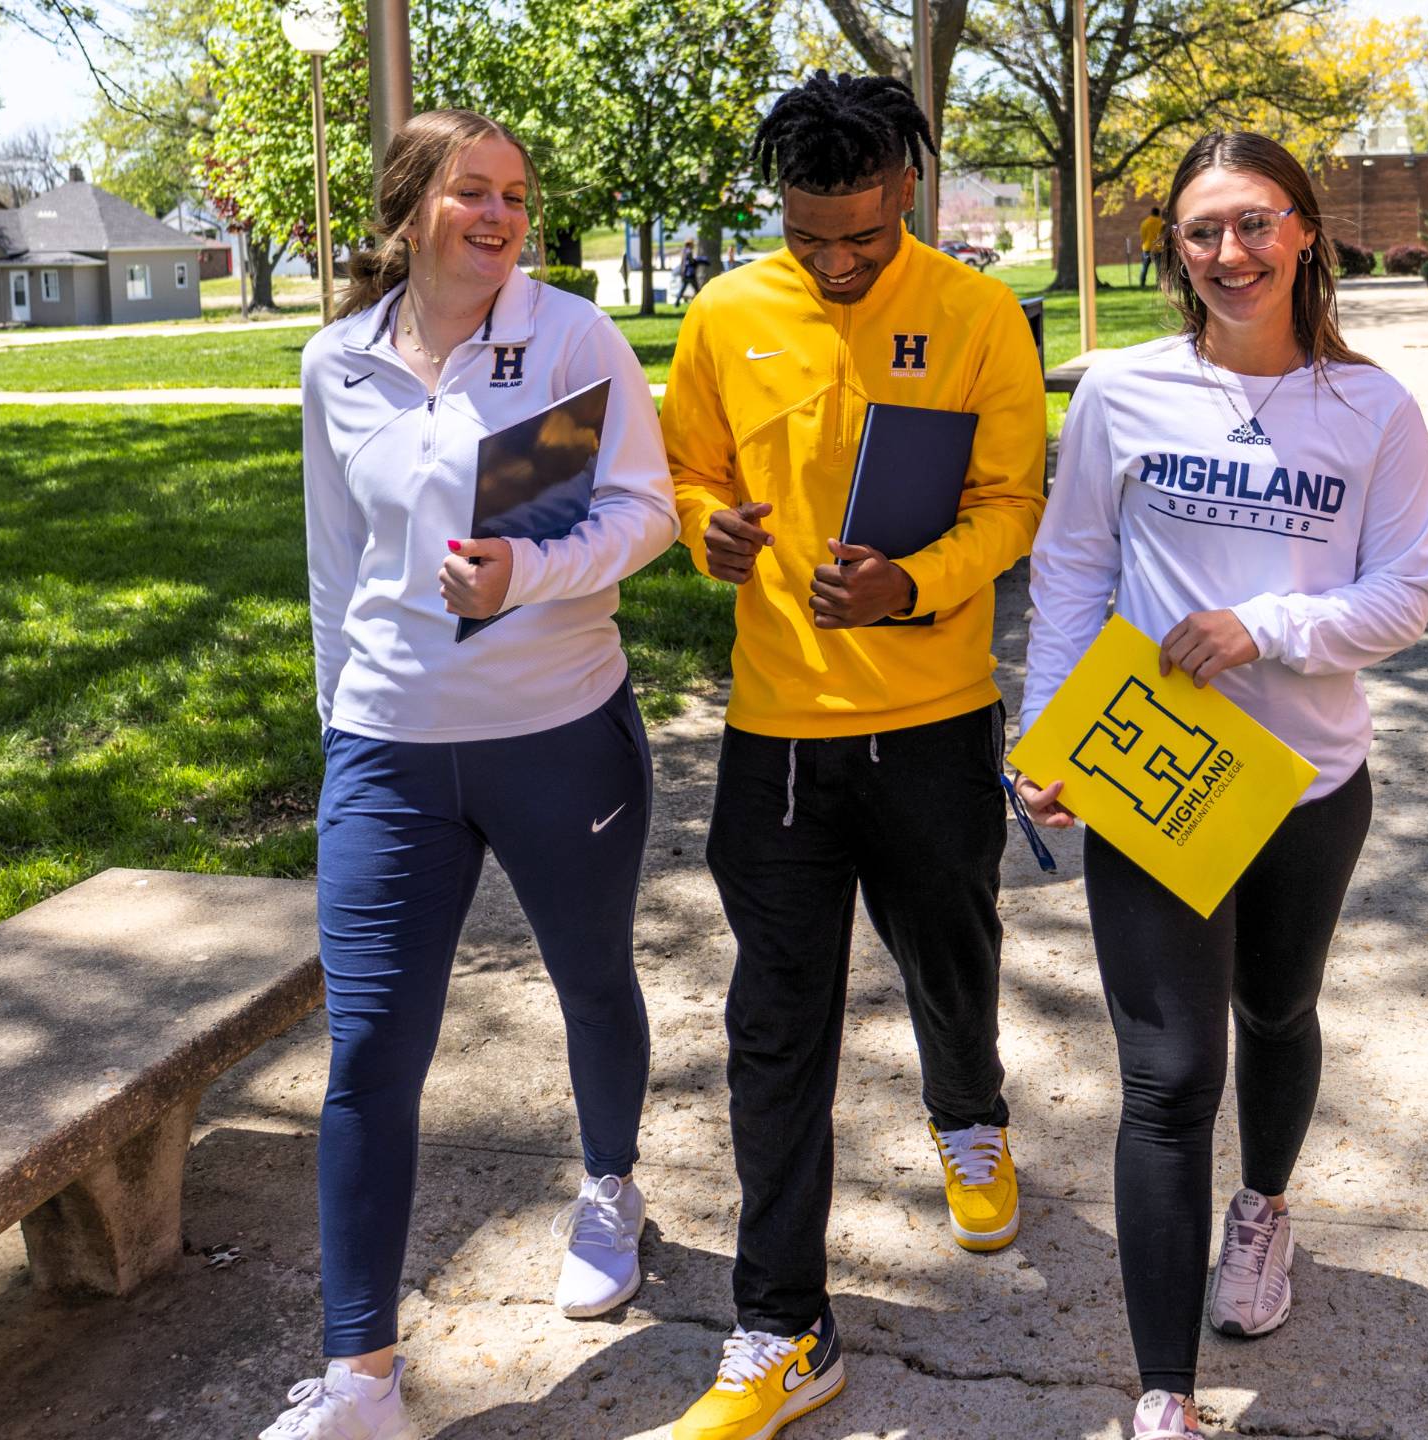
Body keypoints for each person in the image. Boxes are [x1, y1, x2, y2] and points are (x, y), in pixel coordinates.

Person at [1015, 130, 1428, 1439]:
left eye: (1253, 223)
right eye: (1202, 231)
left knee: (1275, 1013)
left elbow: (1406, 593)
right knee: (1166, 1075)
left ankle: (1262, 1213)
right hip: (1160, 775)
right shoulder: (1124, 393)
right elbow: (1071, 571)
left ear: (1304, 230)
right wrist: (1044, 736)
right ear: (1177, 250)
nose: (1228, 253)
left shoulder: (1371, 409)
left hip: (1309, 782)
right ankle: (1164, 1397)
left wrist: (1268, 628)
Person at [262, 108, 676, 1440]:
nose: (499, 218)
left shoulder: (566, 336)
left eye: (515, 197)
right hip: (387, 748)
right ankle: (360, 1383)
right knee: (371, 1051)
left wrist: (527, 573)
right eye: (470, 193)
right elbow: (338, 566)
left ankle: (610, 1183)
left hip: (560, 728)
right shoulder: (336, 364)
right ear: (408, 207)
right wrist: (341, 722)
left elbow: (644, 512)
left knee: (593, 981)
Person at [661, 71, 1047, 1440]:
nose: (834, 264)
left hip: (935, 722)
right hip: (775, 737)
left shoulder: (977, 314)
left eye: (863, 239)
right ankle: (781, 1327)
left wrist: (917, 585)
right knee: (774, 1025)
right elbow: (688, 473)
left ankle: (972, 1113)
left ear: (908, 196)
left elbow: (1014, 505)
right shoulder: (724, 313)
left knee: (953, 952)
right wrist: (705, 528)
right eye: (810, 235)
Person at [1138, 204, 1164, 286]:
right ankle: (1159, 284)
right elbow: (1163, 234)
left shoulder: (1145, 223)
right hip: (1158, 248)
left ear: (1151, 213)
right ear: (1158, 213)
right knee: (1159, 268)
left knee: (1145, 267)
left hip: (1147, 248)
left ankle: (1142, 283)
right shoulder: (1161, 223)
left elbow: (1142, 235)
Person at [674, 239, 700, 303]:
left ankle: (677, 302)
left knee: (683, 289)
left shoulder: (684, 251)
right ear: (690, 244)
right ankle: (700, 300)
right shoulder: (689, 251)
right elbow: (691, 261)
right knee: (697, 289)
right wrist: (695, 261)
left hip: (684, 273)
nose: (693, 245)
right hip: (690, 274)